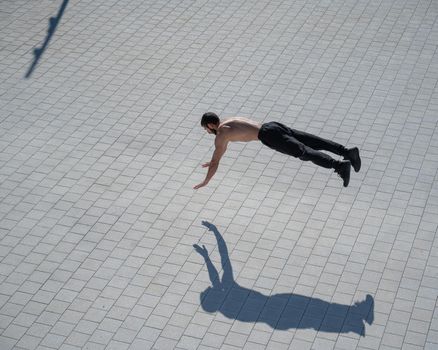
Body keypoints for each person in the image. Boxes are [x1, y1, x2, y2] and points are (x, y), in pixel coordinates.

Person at [193, 112, 361, 189]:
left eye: (206, 129)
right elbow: (221, 151)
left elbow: (216, 159)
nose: (207, 132)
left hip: (267, 136)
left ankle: (339, 166)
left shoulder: (221, 133)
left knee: (304, 152)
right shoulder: (229, 120)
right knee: (310, 140)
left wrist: (206, 181)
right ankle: (347, 152)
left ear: (210, 125)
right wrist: (215, 158)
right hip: (272, 125)